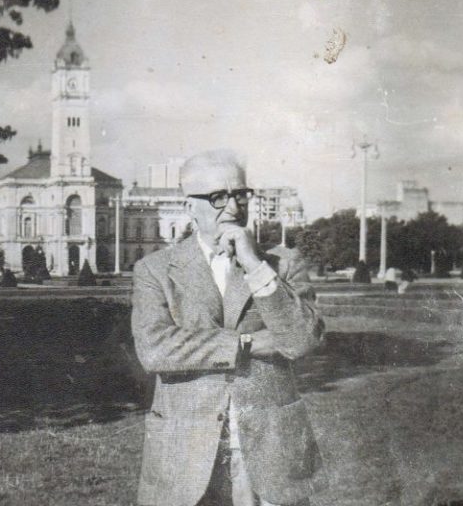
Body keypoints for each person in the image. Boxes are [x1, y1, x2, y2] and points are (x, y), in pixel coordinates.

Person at [132, 149, 325, 506]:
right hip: (185, 452)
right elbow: (156, 349)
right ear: (190, 207)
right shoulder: (154, 270)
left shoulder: (281, 264)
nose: (234, 208)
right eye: (218, 197)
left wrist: (253, 263)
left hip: (271, 450)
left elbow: (301, 339)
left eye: (240, 194)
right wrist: (247, 343)